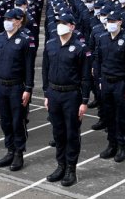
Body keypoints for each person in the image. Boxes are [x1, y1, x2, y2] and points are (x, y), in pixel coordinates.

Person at [42, 13, 90, 187]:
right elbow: (45, 71)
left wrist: (84, 101)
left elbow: (85, 77)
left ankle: (71, 169)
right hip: (54, 94)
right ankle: (60, 165)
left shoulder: (80, 48)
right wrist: (46, 94)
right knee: (58, 132)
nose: (60, 26)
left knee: (72, 133)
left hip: (71, 95)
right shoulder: (50, 44)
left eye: (64, 23)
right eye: (59, 23)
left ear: (72, 26)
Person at [0, 9, 35, 173]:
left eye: (11, 19)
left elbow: (29, 67)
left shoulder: (25, 40)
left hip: (17, 87)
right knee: (5, 120)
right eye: (6, 19)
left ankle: (19, 152)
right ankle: (9, 150)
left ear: (19, 21)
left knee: (18, 121)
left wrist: (28, 88)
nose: (7, 21)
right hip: (1, 85)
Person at [95, 11, 125, 163]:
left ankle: (121, 145)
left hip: (120, 82)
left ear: (120, 22)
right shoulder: (103, 38)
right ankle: (111, 144)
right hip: (106, 81)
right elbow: (98, 60)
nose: (110, 23)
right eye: (108, 21)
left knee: (120, 116)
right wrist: (99, 79)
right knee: (108, 114)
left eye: (113, 21)